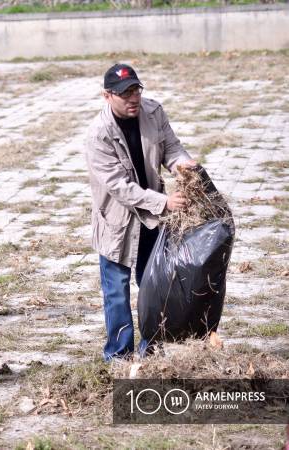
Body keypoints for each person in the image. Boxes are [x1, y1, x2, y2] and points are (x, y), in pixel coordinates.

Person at [85, 64, 196, 361]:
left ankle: (151, 352)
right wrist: (163, 202)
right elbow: (120, 187)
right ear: (107, 95)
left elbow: (171, 147)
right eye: (124, 93)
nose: (133, 98)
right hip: (118, 224)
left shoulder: (153, 112)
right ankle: (119, 357)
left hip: (153, 222)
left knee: (155, 287)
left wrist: (181, 164)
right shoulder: (98, 135)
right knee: (116, 293)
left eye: (136, 89)